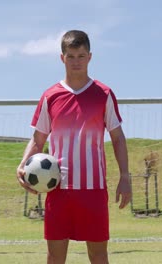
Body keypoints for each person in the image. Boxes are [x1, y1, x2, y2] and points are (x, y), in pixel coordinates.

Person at [17, 29, 131, 264]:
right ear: (62, 58)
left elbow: (117, 137)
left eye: (81, 56)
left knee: (99, 256)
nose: (76, 61)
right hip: (58, 190)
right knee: (55, 257)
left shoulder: (104, 94)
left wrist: (125, 176)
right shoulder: (51, 96)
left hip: (94, 190)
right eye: (71, 56)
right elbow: (38, 139)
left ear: (90, 57)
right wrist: (22, 165)